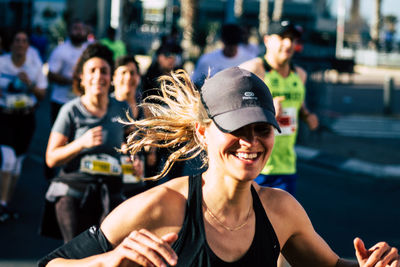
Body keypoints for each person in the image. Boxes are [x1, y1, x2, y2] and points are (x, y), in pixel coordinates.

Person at [38, 67, 399, 267]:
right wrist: (108, 263)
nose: (251, 142)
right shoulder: (160, 207)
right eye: (236, 129)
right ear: (202, 131)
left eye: (261, 129)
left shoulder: (281, 211)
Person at [40, 43, 130, 243]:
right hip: (74, 187)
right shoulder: (70, 110)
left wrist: (132, 156)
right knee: (76, 249)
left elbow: (128, 143)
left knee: (108, 248)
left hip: (110, 185)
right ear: (81, 76)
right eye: (92, 71)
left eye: (104, 71)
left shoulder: (121, 108)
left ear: (111, 77)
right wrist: (81, 143)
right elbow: (51, 158)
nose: (98, 76)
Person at [240, 20, 319, 197]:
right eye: (283, 37)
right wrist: (267, 113)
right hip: (255, 164)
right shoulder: (252, 71)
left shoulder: (300, 74)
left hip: (286, 165)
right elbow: (234, 116)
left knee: (280, 224)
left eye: (293, 39)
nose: (289, 44)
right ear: (267, 40)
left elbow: (300, 107)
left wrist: (308, 116)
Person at [0, 30, 48, 222]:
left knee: (17, 163)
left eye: (24, 41)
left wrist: (29, 85)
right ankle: (2, 205)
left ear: (28, 46)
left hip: (26, 118)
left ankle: (6, 203)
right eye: (17, 41)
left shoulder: (34, 66)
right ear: (10, 45)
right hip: (4, 116)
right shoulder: (2, 63)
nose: (20, 44)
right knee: (8, 159)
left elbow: (42, 95)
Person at [142, 42, 184, 180]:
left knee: (175, 174)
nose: (171, 58)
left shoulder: (181, 78)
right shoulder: (148, 79)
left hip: (176, 132)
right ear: (159, 57)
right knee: (151, 173)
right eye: (167, 55)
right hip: (155, 131)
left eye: (175, 56)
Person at [111, 55, 148, 197]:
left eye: (132, 73)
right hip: (114, 173)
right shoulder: (108, 105)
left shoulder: (144, 107)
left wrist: (150, 148)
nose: (128, 77)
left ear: (138, 77)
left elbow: (150, 135)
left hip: (139, 176)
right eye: (123, 73)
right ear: (113, 78)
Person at [47, 19, 89, 123]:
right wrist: (73, 81)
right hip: (61, 101)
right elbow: (51, 75)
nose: (79, 32)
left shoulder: (89, 48)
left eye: (81, 29)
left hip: (82, 101)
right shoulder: (60, 50)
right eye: (76, 29)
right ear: (69, 31)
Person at [191, 23, 256, 87]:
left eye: (234, 43)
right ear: (222, 40)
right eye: (228, 43)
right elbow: (194, 83)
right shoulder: (206, 61)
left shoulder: (250, 60)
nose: (231, 48)